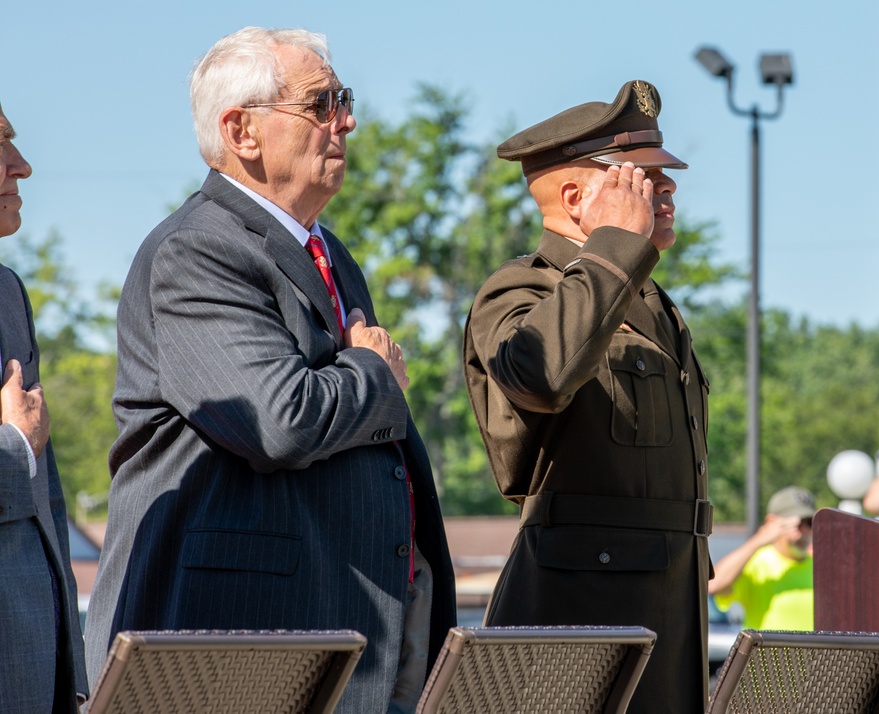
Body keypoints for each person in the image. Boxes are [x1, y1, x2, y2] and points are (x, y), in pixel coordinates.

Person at [83, 28, 455, 713]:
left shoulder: (327, 252)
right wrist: (374, 374)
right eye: (321, 103)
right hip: (237, 637)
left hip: (343, 625)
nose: (345, 121)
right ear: (241, 131)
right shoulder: (196, 251)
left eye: (343, 100)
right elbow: (279, 420)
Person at [463, 80, 711, 713]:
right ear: (575, 197)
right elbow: (542, 375)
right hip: (579, 622)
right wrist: (613, 252)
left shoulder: (651, 301)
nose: (669, 190)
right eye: (643, 181)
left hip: (667, 615)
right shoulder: (519, 290)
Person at [0, 103, 88, 712]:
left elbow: (46, 506)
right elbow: (22, 453)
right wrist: (12, 445)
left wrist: (70, 668)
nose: (23, 166)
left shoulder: (7, 293)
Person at [709, 486, 815, 630]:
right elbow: (712, 585)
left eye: (810, 523)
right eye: (797, 523)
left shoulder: (821, 567)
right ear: (772, 521)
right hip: (765, 653)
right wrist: (759, 540)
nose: (804, 532)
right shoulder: (757, 563)